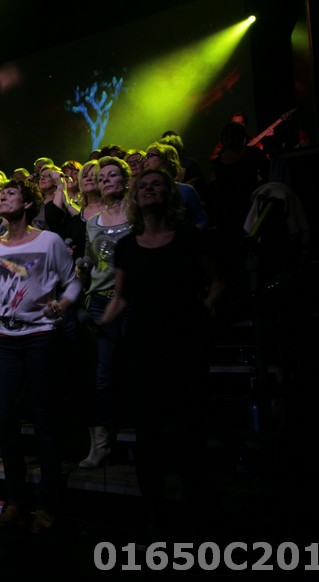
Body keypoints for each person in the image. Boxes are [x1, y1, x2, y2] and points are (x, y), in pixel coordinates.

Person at [97, 167, 223, 532]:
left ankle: (198, 514)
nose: (150, 189)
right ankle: (154, 514)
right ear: (136, 197)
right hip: (143, 346)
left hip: (185, 345)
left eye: (157, 185)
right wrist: (103, 321)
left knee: (189, 430)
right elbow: (120, 296)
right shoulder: (126, 246)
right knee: (148, 433)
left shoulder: (189, 238)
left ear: (169, 194)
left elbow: (217, 280)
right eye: (144, 186)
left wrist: (209, 303)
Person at [0, 178, 81, 534]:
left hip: (41, 337)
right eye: (0, 194)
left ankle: (47, 505)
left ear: (28, 203)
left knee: (45, 420)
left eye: (10, 193)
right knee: (5, 420)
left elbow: (73, 281)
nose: (1, 197)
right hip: (6, 339)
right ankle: (16, 500)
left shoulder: (48, 242)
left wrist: (62, 304)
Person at [77, 156, 134, 470]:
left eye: (113, 175)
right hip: (100, 299)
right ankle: (101, 445)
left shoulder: (137, 215)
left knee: (135, 370)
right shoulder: (92, 222)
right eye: (102, 178)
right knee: (100, 377)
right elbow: (90, 257)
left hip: (133, 300)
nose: (107, 180)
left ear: (125, 180)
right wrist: (82, 266)